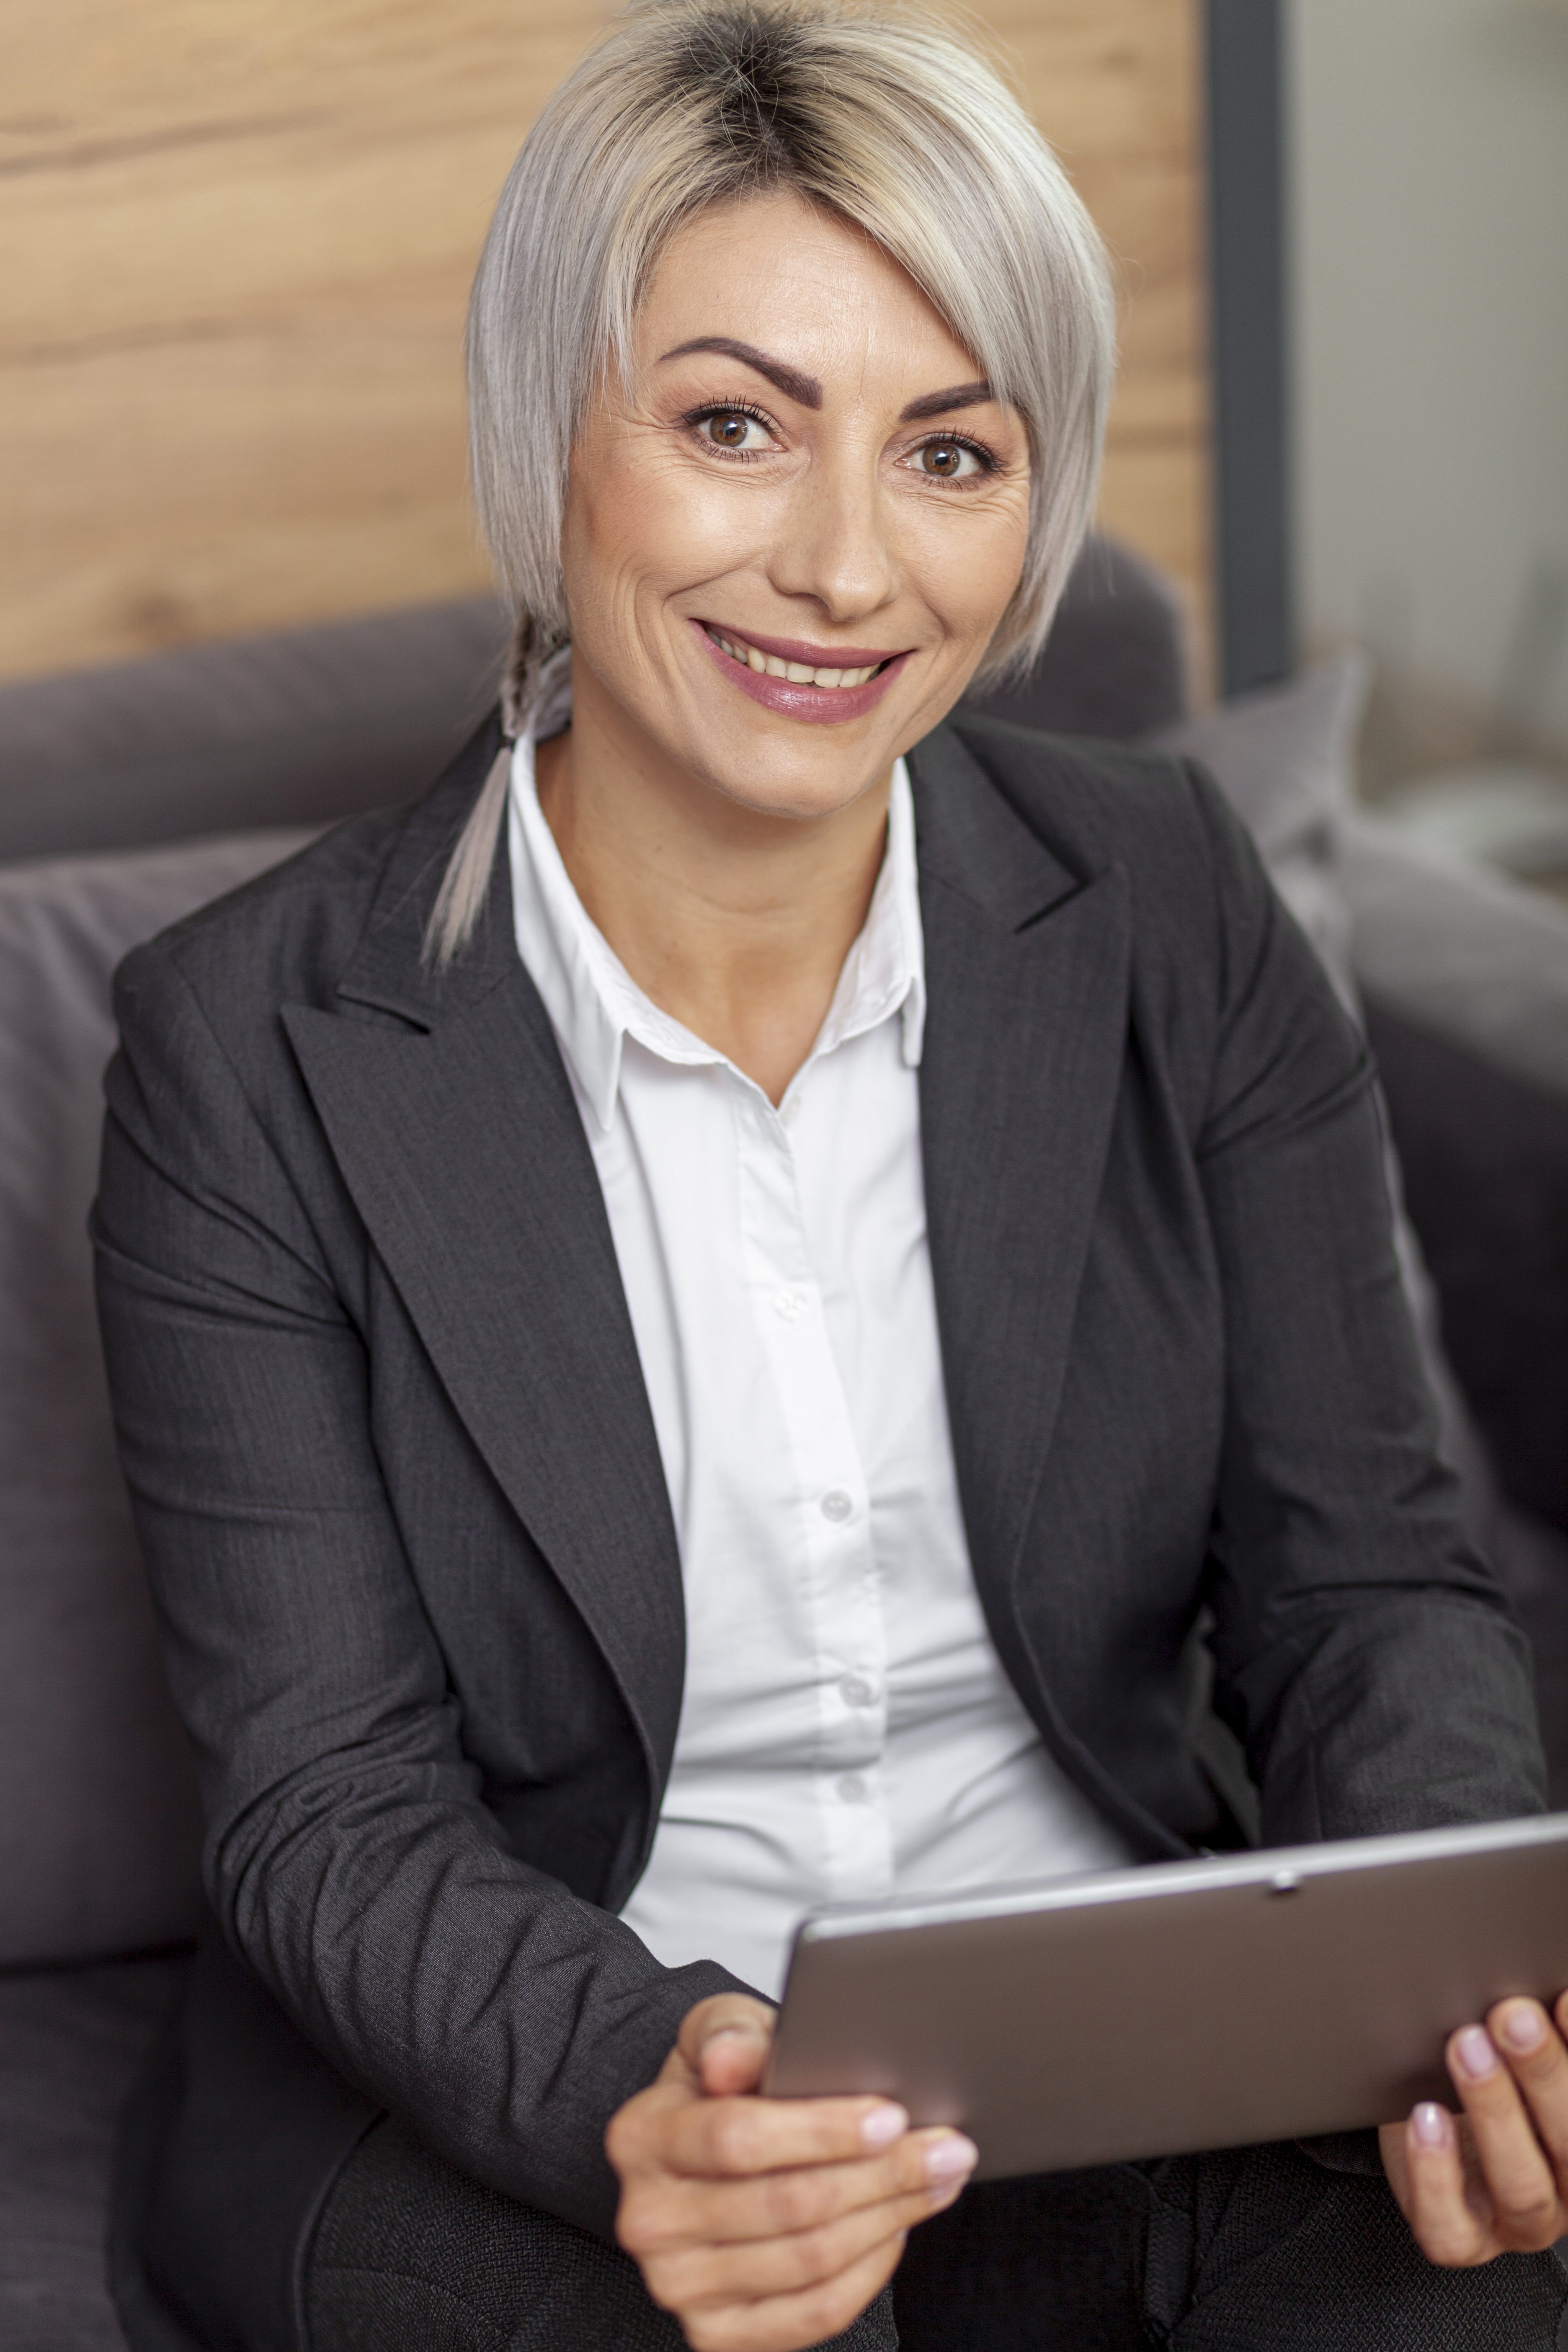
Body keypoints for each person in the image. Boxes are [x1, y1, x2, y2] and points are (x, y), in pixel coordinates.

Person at [95, 5, 1568, 2348]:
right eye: (731, 425)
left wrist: (1457, 2006)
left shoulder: (1173, 900)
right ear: (547, 434)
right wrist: (641, 2087)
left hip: (1130, 2056)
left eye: (952, 451)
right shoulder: (246, 1049)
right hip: (551, 2095)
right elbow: (332, 1805)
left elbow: (1365, 1583)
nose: (847, 567)